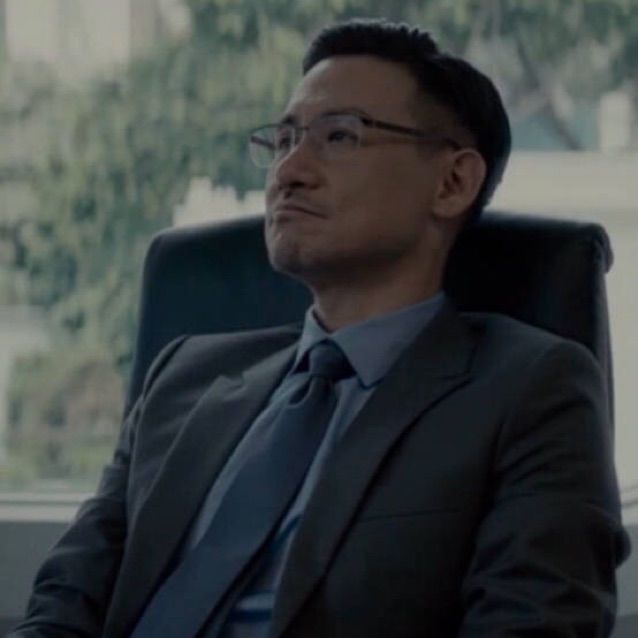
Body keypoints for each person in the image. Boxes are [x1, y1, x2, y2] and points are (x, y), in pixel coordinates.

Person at [11, 18, 629, 638]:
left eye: (340, 136)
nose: (289, 170)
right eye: (283, 140)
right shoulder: (184, 376)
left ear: (451, 182)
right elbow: (67, 599)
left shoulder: (531, 391)